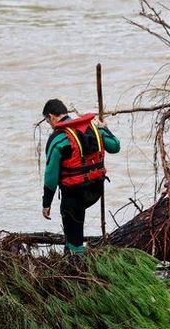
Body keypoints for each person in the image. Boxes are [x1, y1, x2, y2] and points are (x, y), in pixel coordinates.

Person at [41, 98, 121, 255]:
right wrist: (104, 128)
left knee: (73, 231)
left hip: (75, 193)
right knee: (73, 228)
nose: (50, 125)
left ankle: (77, 265)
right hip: (96, 188)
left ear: (51, 117)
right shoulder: (93, 128)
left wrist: (46, 203)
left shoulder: (58, 138)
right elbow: (115, 146)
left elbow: (50, 175)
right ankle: (70, 250)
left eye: (48, 121)